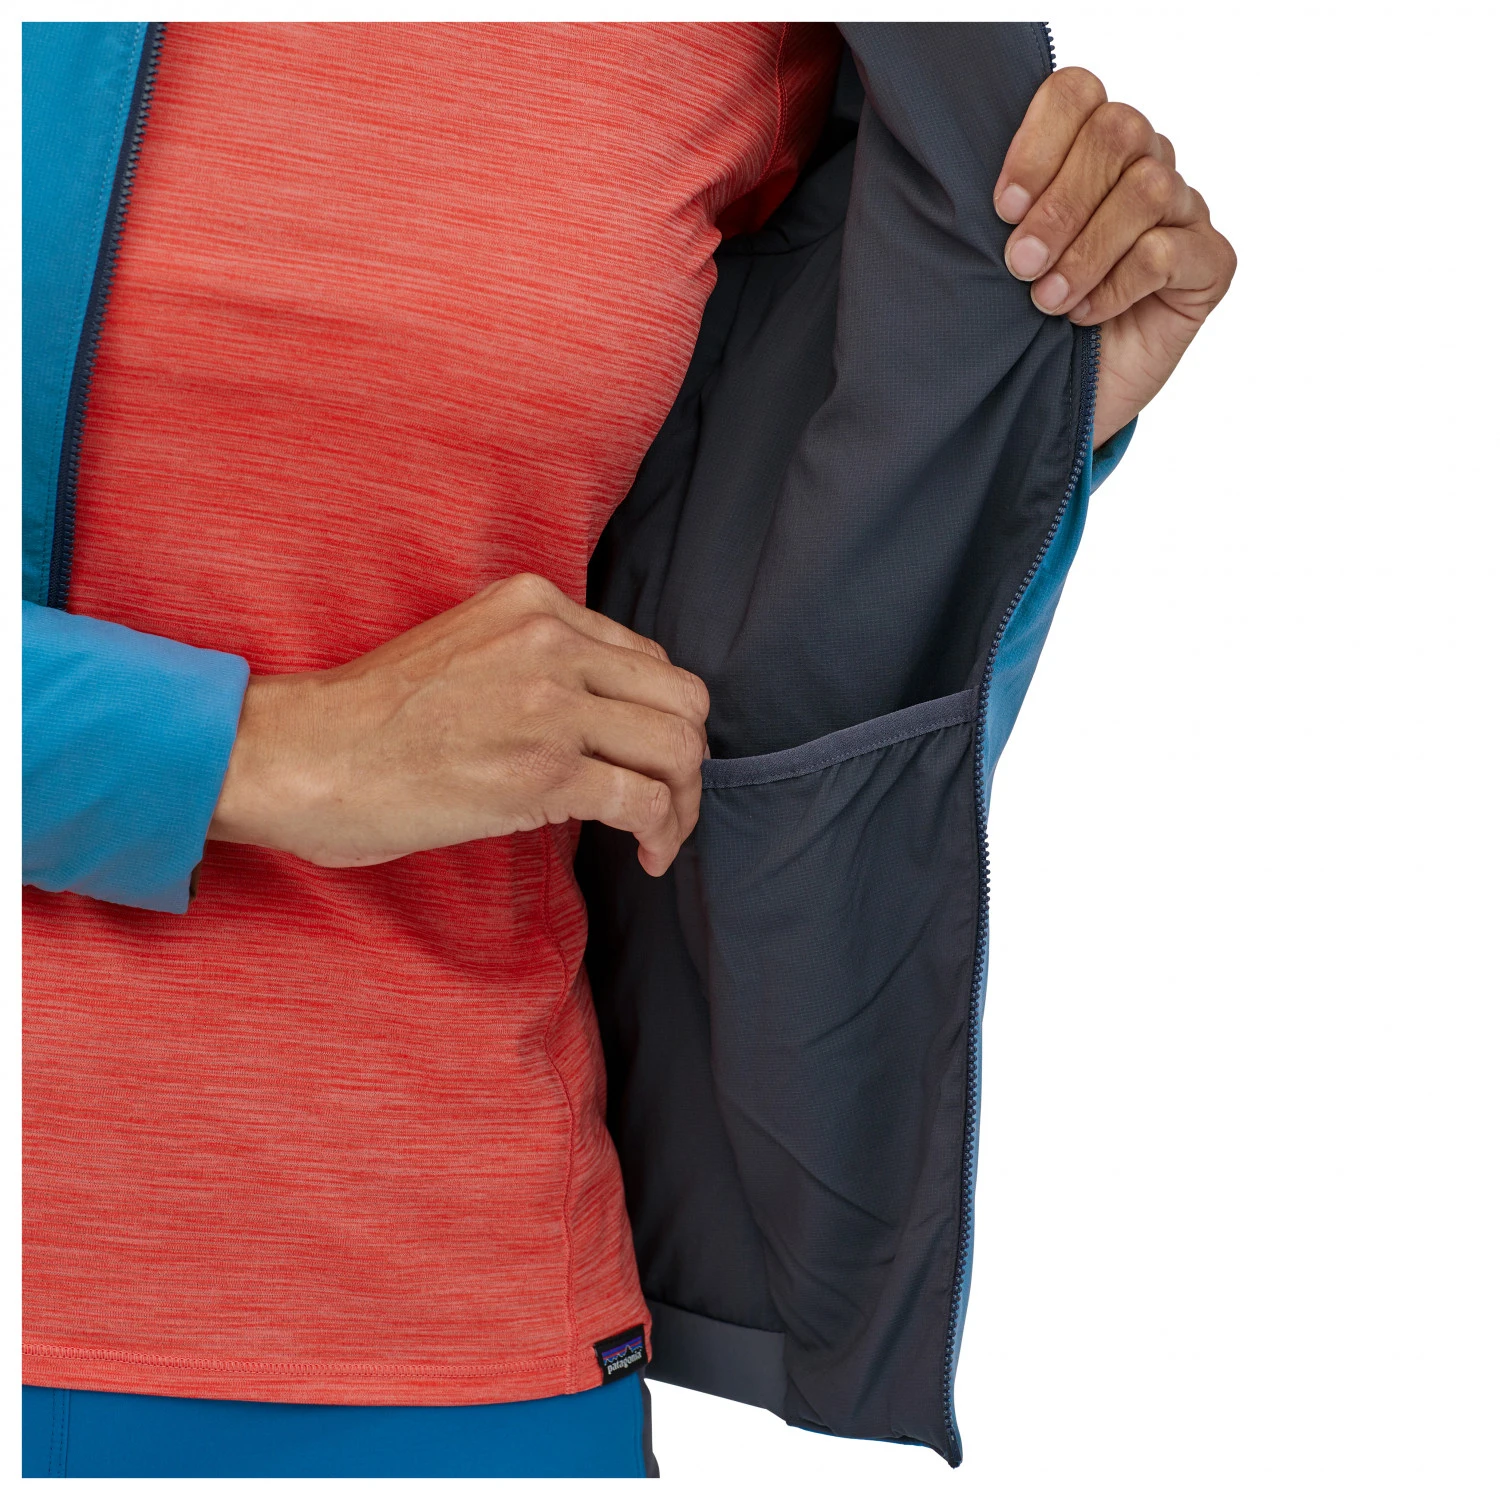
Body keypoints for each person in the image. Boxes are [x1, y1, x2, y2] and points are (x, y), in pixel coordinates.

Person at [22, 22, 1235, 1478]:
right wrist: (268, 754)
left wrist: (1001, 430)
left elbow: (729, 691)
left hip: (463, 1337)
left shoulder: (770, 48)